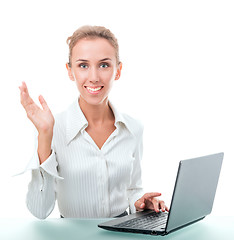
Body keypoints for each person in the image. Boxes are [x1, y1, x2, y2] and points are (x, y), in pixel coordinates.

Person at [19, 25, 168, 219]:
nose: (94, 77)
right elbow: (39, 211)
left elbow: (133, 189)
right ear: (70, 71)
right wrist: (45, 136)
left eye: (104, 65)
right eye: (83, 65)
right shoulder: (53, 129)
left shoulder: (134, 128)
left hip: (120, 232)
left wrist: (141, 203)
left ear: (118, 70)